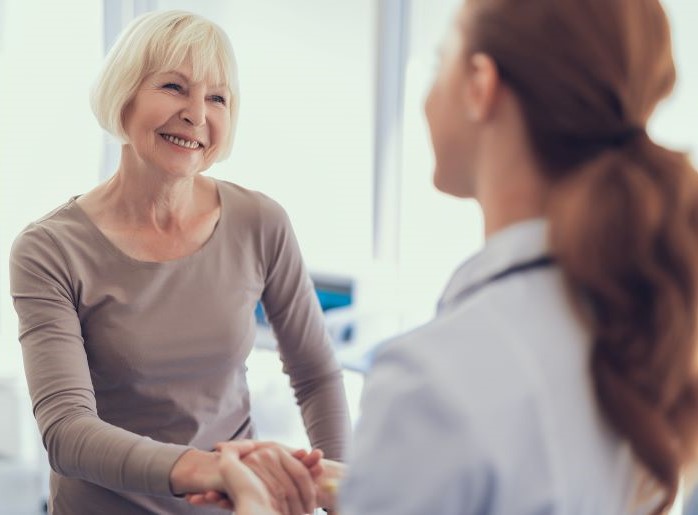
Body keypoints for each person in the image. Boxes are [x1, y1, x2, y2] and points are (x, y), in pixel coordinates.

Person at [207, 0, 698, 513]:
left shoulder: (433, 382)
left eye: (442, 56)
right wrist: (363, 483)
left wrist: (255, 504)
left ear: (481, 87)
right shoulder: (640, 332)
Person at [9, 10, 350, 515]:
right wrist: (209, 468)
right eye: (173, 86)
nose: (196, 113)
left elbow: (316, 374)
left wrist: (345, 490)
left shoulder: (260, 222)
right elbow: (66, 430)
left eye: (217, 98)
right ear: (123, 96)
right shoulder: (50, 249)